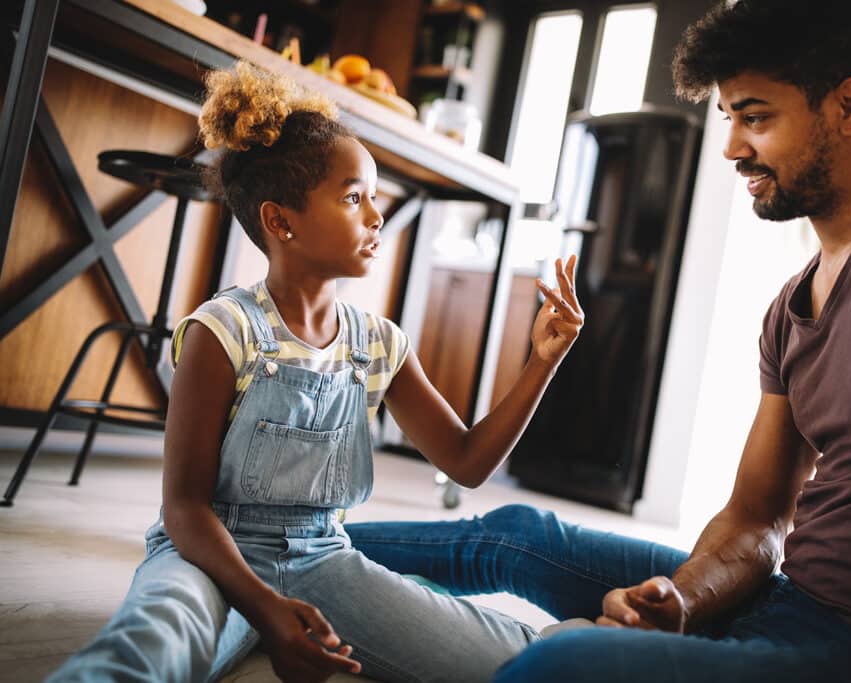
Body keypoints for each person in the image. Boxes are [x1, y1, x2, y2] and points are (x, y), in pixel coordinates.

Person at [344, 1, 851, 681]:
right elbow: (758, 519)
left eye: (755, 117)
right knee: (515, 535)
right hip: (790, 598)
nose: (731, 147)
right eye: (729, 117)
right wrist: (683, 600)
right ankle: (283, 551)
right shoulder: (793, 304)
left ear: (849, 106)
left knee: (562, 660)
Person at [46, 61, 585, 683]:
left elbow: (466, 461)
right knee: (153, 645)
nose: (376, 217)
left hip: (324, 558)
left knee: (525, 662)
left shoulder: (381, 344)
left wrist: (542, 362)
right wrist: (268, 610)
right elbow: (186, 507)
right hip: (208, 556)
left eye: (374, 198)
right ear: (281, 222)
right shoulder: (223, 331)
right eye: (355, 198)